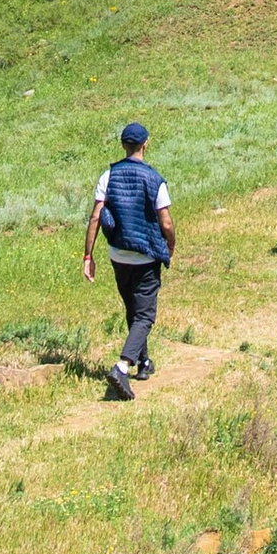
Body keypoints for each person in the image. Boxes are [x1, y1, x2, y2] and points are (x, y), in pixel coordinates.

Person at [83, 118, 174, 399]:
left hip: (118, 256)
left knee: (133, 309)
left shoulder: (107, 176)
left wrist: (88, 254)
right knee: (145, 315)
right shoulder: (155, 179)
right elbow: (166, 223)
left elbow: (97, 215)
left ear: (124, 146)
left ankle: (144, 362)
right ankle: (123, 366)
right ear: (146, 145)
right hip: (146, 258)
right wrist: (170, 246)